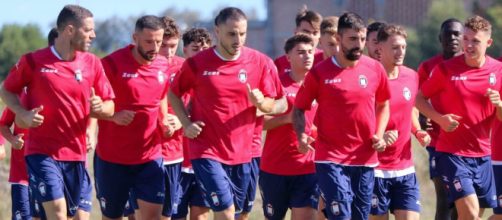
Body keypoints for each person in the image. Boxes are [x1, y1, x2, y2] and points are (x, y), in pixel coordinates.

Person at [0, 5, 115, 220]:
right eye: (88, 30)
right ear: (70, 30)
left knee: (68, 216)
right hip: (41, 153)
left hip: (76, 155)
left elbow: (110, 106)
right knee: (58, 213)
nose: (94, 35)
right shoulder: (33, 61)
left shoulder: (93, 63)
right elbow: (6, 89)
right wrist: (22, 113)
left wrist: (101, 108)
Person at [169, 7, 280, 220]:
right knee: (227, 212)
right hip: (206, 150)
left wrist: (264, 104)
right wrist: (186, 123)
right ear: (217, 31)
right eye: (232, 34)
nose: (238, 39)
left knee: (238, 214)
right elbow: (173, 94)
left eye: (242, 33)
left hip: (243, 153)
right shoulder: (197, 64)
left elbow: (281, 103)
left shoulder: (260, 62)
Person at [293, 12, 390, 220]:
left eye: (362, 39)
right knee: (341, 215)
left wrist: (379, 134)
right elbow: (299, 108)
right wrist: (301, 134)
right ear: (338, 38)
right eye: (353, 39)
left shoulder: (375, 69)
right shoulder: (319, 73)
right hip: (330, 158)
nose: (360, 44)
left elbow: (383, 104)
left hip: (365, 159)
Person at [416, 15, 502, 219]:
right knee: (470, 213)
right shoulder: (446, 69)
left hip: (484, 155)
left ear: (488, 43)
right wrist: (440, 119)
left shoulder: (498, 71)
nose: (468, 45)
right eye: (466, 39)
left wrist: (499, 104)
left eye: (475, 41)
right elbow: (419, 98)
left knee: (478, 215)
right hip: (452, 154)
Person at [94, 15, 172, 220]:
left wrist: (165, 120)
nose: (154, 47)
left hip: (150, 156)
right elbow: (90, 104)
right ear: (134, 38)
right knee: (113, 217)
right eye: (148, 41)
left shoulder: (163, 65)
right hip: (113, 158)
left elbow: (162, 95)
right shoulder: (111, 64)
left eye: (158, 41)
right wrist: (113, 117)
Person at [369, 24, 429, 220]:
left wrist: (418, 130)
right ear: (380, 48)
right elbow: (358, 118)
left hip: (405, 167)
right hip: (375, 169)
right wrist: (379, 135)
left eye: (403, 47)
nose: (400, 52)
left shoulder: (411, 76)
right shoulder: (370, 79)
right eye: (395, 47)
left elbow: (411, 107)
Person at [260, 34, 319, 220]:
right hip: (274, 168)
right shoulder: (276, 85)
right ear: (288, 57)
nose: (307, 56)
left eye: (310, 52)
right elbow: (258, 123)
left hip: (308, 168)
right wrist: (286, 119)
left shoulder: (322, 85)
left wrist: (315, 134)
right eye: (300, 52)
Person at [416, 18, 463, 220]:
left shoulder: (471, 65)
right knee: (444, 197)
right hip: (438, 142)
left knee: (463, 203)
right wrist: (422, 118)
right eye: (448, 33)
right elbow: (418, 98)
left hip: (467, 145)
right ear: (440, 38)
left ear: (464, 38)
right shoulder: (429, 67)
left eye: (457, 34)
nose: (452, 38)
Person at [171, 27, 213, 220]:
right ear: (185, 50)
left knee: (201, 216)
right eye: (196, 49)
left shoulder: (214, 79)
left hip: (204, 159)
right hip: (176, 160)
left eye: (205, 49)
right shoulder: (173, 75)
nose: (202, 54)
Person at [274, 7, 324, 75]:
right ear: (296, 32)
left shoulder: (326, 59)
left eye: (315, 33)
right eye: (306, 32)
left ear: (320, 36)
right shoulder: (280, 63)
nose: (311, 37)